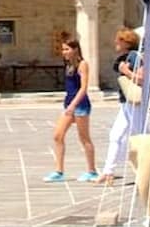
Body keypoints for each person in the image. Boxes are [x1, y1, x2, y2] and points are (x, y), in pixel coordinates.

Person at [46, 38, 98, 182]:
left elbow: (83, 87)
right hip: (68, 104)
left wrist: (73, 105)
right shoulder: (68, 65)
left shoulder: (83, 64)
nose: (64, 53)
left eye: (67, 49)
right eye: (63, 50)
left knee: (84, 138)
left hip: (80, 105)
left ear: (75, 49)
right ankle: (59, 171)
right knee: (58, 135)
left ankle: (92, 170)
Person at [96, 28, 142, 185]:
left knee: (139, 137)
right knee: (115, 135)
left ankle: (145, 171)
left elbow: (141, 78)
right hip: (126, 102)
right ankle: (108, 171)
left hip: (135, 102)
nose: (115, 42)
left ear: (125, 42)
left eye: (118, 40)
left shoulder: (135, 56)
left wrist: (126, 71)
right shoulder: (126, 57)